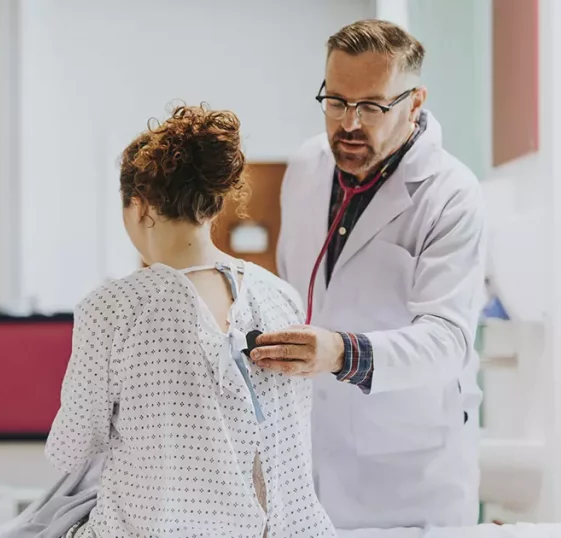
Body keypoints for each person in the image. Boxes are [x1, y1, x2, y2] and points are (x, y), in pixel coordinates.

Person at [45, 104, 336, 538]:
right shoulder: (279, 296)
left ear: (140, 207)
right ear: (212, 207)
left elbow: (71, 449)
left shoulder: (112, 308)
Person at [249, 20, 487, 529]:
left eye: (372, 106)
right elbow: (294, 291)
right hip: (310, 457)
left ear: (415, 102)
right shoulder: (307, 166)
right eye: (336, 101)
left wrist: (339, 352)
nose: (349, 123)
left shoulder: (451, 195)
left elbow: (448, 341)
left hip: (409, 473)